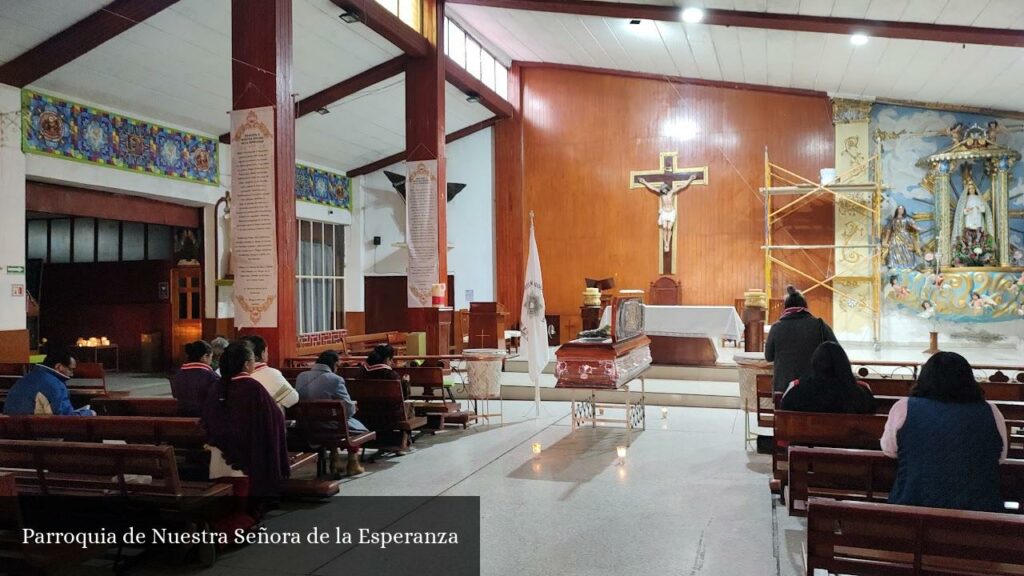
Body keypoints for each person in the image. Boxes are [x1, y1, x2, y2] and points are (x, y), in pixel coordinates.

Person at [882, 352, 1007, 512]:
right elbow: (1000, 457)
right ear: (968, 379)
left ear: (924, 378)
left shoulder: (903, 407)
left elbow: (890, 450)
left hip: (913, 508)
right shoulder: (991, 411)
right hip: (980, 517)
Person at [202, 342, 290, 503]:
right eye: (252, 361)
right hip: (249, 454)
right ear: (246, 364)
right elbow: (273, 418)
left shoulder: (218, 386)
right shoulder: (253, 387)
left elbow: (208, 416)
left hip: (220, 452)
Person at [296, 350, 367, 477]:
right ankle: (353, 463)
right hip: (330, 426)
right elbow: (348, 409)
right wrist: (353, 407)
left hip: (306, 425)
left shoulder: (301, 376)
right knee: (350, 424)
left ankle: (335, 458)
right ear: (334, 364)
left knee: (334, 421)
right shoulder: (335, 379)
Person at [764, 286, 838, 393]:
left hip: (784, 388)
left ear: (786, 307)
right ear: (805, 306)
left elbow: (769, 357)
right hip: (816, 387)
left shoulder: (777, 327)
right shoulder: (820, 325)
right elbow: (836, 352)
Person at [779, 342, 875, 414]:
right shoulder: (862, 393)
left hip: (803, 441)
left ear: (814, 364)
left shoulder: (796, 391)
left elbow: (783, 418)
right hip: (850, 441)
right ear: (844, 364)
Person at [4, 347, 95, 416]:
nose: (72, 374)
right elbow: (66, 418)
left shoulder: (25, 378)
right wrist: (89, 413)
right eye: (71, 369)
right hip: (37, 434)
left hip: (13, 430)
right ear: (59, 367)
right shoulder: (55, 384)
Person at [638, 173, 698, 253]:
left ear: (667, 189)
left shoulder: (671, 192)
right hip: (664, 212)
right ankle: (665, 243)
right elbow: (652, 188)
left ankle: (668, 243)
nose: (663, 190)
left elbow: (681, 187)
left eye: (664, 189)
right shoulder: (661, 193)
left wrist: (690, 179)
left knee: (669, 228)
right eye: (662, 189)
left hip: (671, 212)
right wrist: (644, 182)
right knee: (664, 227)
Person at [242, 335, 299, 411]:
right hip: (268, 421)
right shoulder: (271, 374)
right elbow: (292, 399)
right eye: (266, 351)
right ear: (262, 354)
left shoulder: (230, 374)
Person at [171, 340, 219, 417]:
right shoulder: (210, 375)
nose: (211, 361)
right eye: (211, 357)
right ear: (205, 356)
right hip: (204, 418)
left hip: (182, 415)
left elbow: (176, 394)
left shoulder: (179, 373)